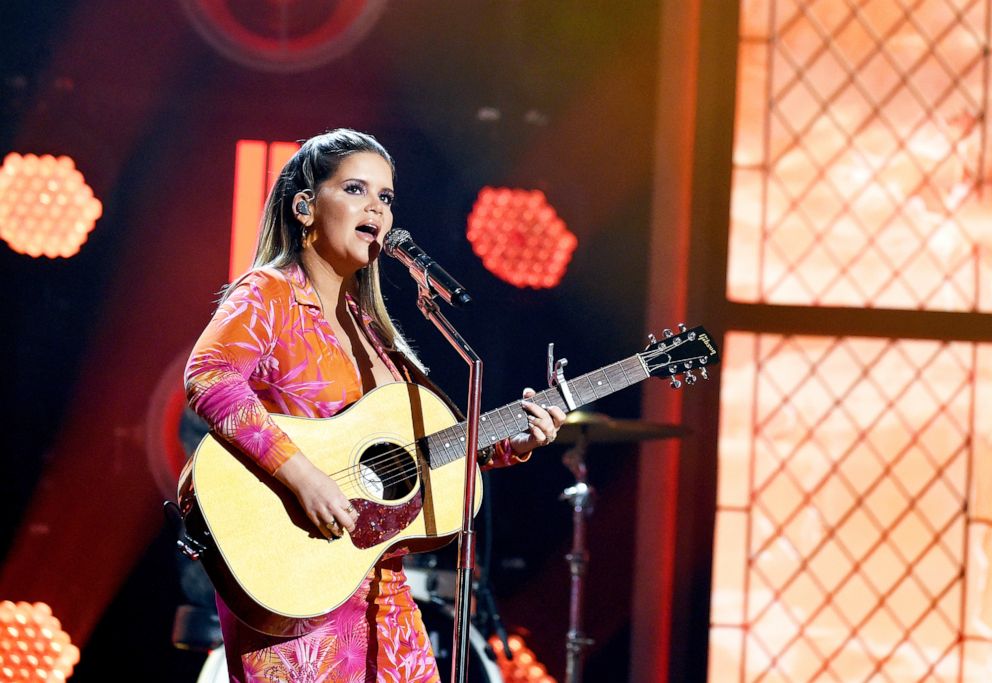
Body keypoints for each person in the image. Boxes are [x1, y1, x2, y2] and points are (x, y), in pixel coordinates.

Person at [184, 128, 566, 682]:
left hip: (383, 588)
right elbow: (209, 374)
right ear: (305, 207)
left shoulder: (375, 335)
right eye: (357, 190)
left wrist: (512, 442)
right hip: (295, 578)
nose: (376, 208)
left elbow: (414, 457)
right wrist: (303, 476)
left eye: (385, 197)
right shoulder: (269, 294)